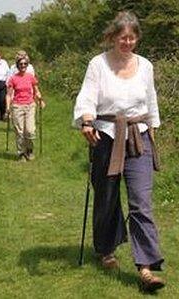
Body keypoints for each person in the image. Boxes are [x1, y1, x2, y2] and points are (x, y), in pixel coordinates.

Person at [74, 11, 165, 292]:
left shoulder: (146, 65)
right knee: (107, 197)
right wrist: (87, 121)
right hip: (106, 136)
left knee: (141, 202)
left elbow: (150, 99)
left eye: (132, 37)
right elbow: (87, 96)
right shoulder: (98, 64)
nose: (127, 42)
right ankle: (106, 248)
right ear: (112, 37)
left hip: (138, 138)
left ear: (137, 37)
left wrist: (152, 130)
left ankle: (146, 268)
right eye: (122, 37)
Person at [6, 56, 45, 161]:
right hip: (17, 106)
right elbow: (9, 95)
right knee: (20, 131)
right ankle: (21, 153)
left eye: (25, 64)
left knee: (30, 131)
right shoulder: (13, 78)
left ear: (27, 65)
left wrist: (40, 100)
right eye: (21, 64)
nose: (23, 66)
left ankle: (29, 150)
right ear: (17, 65)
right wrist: (7, 107)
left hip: (30, 105)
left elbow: (36, 90)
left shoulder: (30, 77)